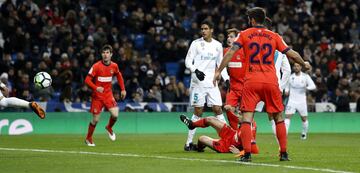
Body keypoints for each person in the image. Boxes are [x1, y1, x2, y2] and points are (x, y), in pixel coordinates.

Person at [214, 7, 311, 162]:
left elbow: (231, 52)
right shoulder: (275, 36)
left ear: (252, 20)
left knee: (247, 118)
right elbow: (292, 54)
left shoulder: (244, 34)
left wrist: (218, 71)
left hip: (251, 81)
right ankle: (284, 153)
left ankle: (247, 154)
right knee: (279, 117)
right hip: (271, 81)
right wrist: (304, 64)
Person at [183, 20, 229, 151]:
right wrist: (195, 70)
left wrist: (227, 79)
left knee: (218, 109)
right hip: (198, 83)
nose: (203, 31)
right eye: (202, 28)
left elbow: (221, 65)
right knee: (198, 111)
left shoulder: (218, 45)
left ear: (212, 30)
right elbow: (187, 61)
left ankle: (229, 138)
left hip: (212, 82)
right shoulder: (196, 44)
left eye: (206, 28)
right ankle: (188, 143)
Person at [254, 17, 292, 136]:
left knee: (247, 115)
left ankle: (248, 145)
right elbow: (287, 70)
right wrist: (281, 86)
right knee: (277, 116)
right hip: (273, 84)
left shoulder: (253, 42)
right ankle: (282, 149)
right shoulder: (278, 42)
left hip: (255, 83)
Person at [84, 44, 126, 147]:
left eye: (107, 53)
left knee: (115, 114)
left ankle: (109, 127)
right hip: (97, 96)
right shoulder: (96, 66)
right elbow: (87, 80)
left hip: (108, 95)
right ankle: (88, 138)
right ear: (101, 54)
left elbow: (119, 75)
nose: (105, 55)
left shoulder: (114, 66)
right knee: (95, 120)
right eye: (103, 53)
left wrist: (123, 89)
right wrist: (96, 88)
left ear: (111, 54)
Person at [179, 115, 258, 155]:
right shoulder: (250, 122)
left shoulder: (248, 130)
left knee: (201, 138)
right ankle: (192, 125)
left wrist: (239, 152)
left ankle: (197, 148)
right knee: (210, 119)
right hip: (231, 134)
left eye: (240, 113)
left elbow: (255, 151)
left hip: (228, 146)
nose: (237, 115)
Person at [284, 63, 316, 139]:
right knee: (287, 117)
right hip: (292, 100)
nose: (296, 67)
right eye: (295, 66)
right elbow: (287, 86)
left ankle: (304, 134)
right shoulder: (290, 77)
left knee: (304, 118)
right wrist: (286, 91)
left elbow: (313, 86)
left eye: (298, 66)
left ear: (301, 67)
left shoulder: (305, 76)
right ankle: (284, 134)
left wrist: (307, 88)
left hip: (302, 101)